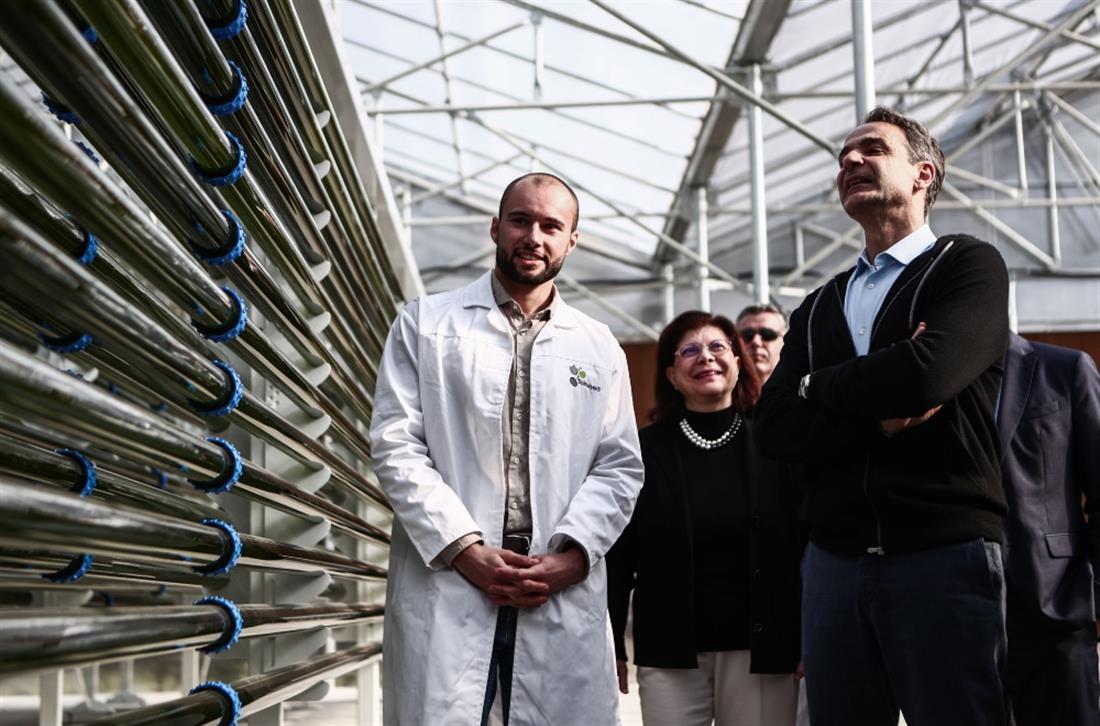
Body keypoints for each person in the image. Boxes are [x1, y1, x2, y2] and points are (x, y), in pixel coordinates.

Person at [754, 106, 1010, 726]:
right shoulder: (818, 305)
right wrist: (875, 417)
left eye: (871, 148)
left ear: (923, 174)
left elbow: (926, 377)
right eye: (843, 155)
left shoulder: (967, 266)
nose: (850, 160)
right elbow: (774, 426)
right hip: (834, 563)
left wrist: (815, 385)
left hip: (943, 553)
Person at [369, 172, 644, 725]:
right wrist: (465, 550)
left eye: (551, 226)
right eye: (521, 220)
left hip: (555, 586)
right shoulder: (425, 324)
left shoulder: (598, 346)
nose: (533, 237)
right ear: (496, 228)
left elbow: (618, 466)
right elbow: (397, 445)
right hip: (453, 579)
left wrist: (572, 558)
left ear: (572, 240)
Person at [607, 310, 801, 726]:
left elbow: (804, 543)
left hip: (763, 648)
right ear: (671, 375)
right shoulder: (643, 451)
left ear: (738, 363)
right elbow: (619, 556)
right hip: (671, 649)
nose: (706, 357)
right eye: (690, 351)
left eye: (717, 347)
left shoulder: (775, 442)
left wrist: (810, 635)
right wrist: (613, 644)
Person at [998, 332, 1100, 726]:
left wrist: (1091, 593)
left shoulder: (1064, 368)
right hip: (958, 614)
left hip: (1056, 605)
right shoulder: (931, 377)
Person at [736, 303, 787, 383]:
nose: (756, 342)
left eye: (767, 334)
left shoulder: (803, 388)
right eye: (747, 335)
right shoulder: (721, 390)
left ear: (785, 342)